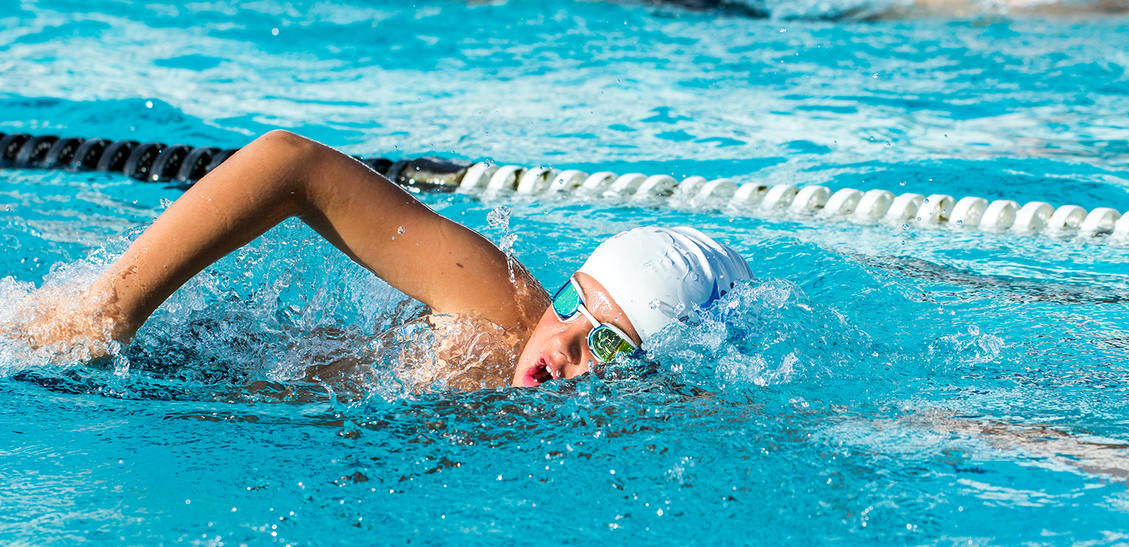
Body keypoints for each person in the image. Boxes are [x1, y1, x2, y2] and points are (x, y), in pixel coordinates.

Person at [13, 130, 753, 389]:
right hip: (148, 362)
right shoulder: (498, 311)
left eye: (610, 343)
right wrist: (104, 311)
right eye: (570, 303)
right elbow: (289, 164)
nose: (561, 343)